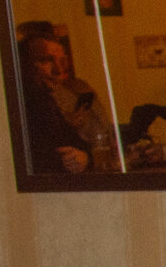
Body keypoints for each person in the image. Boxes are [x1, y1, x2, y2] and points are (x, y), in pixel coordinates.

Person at [16, 32, 105, 175]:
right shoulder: (19, 104)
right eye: (46, 61)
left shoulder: (46, 100)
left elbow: (78, 144)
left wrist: (84, 157)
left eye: (62, 61)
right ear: (25, 65)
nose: (58, 70)